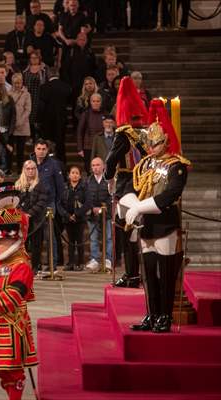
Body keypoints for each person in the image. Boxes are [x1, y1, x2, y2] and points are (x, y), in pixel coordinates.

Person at [127, 117, 188, 333]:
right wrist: (131, 205)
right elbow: (133, 186)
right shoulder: (145, 164)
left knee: (166, 274)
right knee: (149, 274)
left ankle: (165, 316)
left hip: (165, 224)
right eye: (150, 144)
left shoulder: (177, 165)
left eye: (157, 143)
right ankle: (152, 315)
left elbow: (170, 194)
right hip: (147, 225)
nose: (153, 148)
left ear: (166, 142)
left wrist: (140, 207)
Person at [0, 210, 38, 400]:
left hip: (11, 325)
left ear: (12, 242)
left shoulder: (21, 265)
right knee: (2, 370)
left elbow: (13, 296)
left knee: (13, 370)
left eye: (0, 242)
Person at [105, 76, 149, 288]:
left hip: (126, 184)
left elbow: (112, 158)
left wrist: (107, 176)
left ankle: (133, 275)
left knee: (127, 229)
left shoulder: (123, 133)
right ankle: (132, 274)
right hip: (144, 183)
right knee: (126, 226)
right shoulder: (146, 131)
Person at [15, 160, 48, 273]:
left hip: (36, 220)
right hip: (22, 219)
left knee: (36, 245)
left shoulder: (40, 184)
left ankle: (35, 266)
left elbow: (41, 202)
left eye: (33, 168)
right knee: (21, 245)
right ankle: (22, 266)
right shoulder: (18, 184)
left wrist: (30, 213)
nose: (30, 171)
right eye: (28, 168)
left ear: (36, 170)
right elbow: (16, 201)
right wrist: (22, 213)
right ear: (24, 170)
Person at [58, 166, 90, 271]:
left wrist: (77, 214)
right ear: (69, 175)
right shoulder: (64, 187)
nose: (74, 175)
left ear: (80, 176)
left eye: (77, 173)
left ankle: (80, 263)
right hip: (67, 218)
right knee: (70, 242)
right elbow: (59, 204)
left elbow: (88, 203)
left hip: (79, 218)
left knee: (80, 241)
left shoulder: (84, 187)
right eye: (72, 172)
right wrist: (67, 215)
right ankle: (70, 263)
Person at [38, 67, 72, 163]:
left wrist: (39, 120)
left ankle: (46, 164)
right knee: (60, 144)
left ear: (48, 75)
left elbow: (41, 107)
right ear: (58, 74)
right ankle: (62, 164)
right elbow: (69, 101)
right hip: (61, 119)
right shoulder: (66, 87)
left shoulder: (43, 87)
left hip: (47, 121)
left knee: (47, 144)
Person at [85, 157, 113, 272]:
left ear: (103, 166)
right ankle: (95, 260)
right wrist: (92, 208)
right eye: (93, 165)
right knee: (93, 238)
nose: (95, 167)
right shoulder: (88, 180)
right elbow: (85, 196)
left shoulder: (109, 180)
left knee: (109, 237)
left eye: (97, 165)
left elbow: (111, 196)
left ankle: (108, 260)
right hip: (92, 214)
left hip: (107, 213)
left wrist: (102, 208)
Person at [64, 33, 96, 104]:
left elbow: (93, 67)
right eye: (80, 39)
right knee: (75, 102)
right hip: (74, 82)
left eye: (84, 40)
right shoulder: (71, 51)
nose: (82, 41)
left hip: (87, 83)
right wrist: (68, 82)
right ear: (77, 40)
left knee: (87, 101)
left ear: (86, 40)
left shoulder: (90, 52)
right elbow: (65, 68)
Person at [22, 51, 48, 140]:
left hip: (39, 97)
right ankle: (32, 137)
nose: (33, 60)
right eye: (32, 58)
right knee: (30, 117)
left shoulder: (44, 69)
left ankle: (40, 137)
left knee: (39, 117)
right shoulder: (26, 69)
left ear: (39, 58)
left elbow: (46, 83)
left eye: (35, 58)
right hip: (29, 96)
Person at [76, 93, 105, 172]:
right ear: (90, 102)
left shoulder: (105, 114)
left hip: (101, 146)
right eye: (93, 101)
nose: (95, 103)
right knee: (89, 169)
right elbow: (80, 131)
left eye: (98, 101)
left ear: (101, 102)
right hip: (88, 146)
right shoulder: (86, 114)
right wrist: (80, 148)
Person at [9, 73, 32, 172]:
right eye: (15, 83)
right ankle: (9, 168)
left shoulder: (26, 94)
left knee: (20, 149)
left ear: (22, 82)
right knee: (10, 148)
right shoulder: (8, 93)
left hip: (22, 125)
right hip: (11, 125)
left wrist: (20, 121)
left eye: (19, 83)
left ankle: (19, 169)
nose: (17, 85)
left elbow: (28, 110)